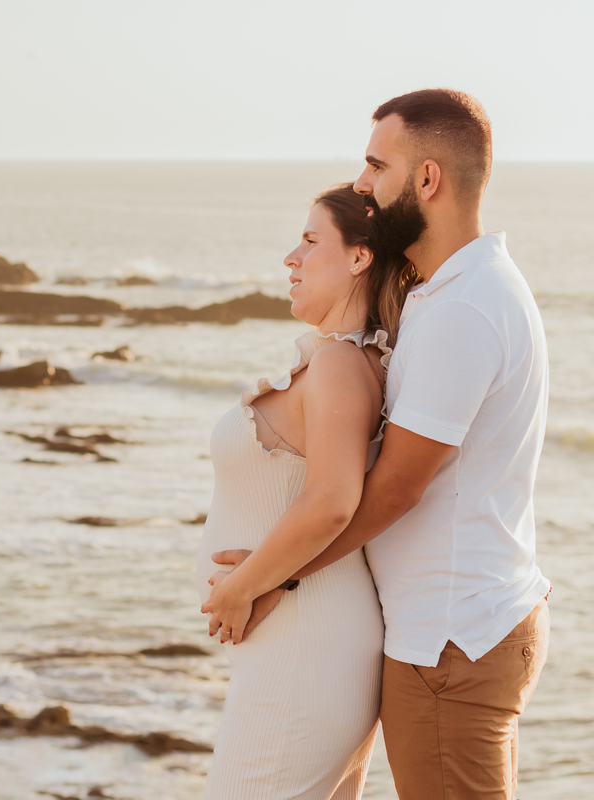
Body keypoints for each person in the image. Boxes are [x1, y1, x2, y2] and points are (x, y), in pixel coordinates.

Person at [206, 88, 551, 799]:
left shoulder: (464, 308)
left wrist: (265, 580)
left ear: (427, 179)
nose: (363, 183)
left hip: (451, 637)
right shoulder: (446, 295)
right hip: (453, 627)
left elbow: (393, 485)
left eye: (376, 165)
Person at [194, 182, 418, 798]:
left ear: (358, 258)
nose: (290, 258)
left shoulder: (342, 366)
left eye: (312, 241)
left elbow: (333, 499)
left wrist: (242, 586)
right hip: (303, 641)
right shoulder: (339, 360)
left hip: (305, 645)